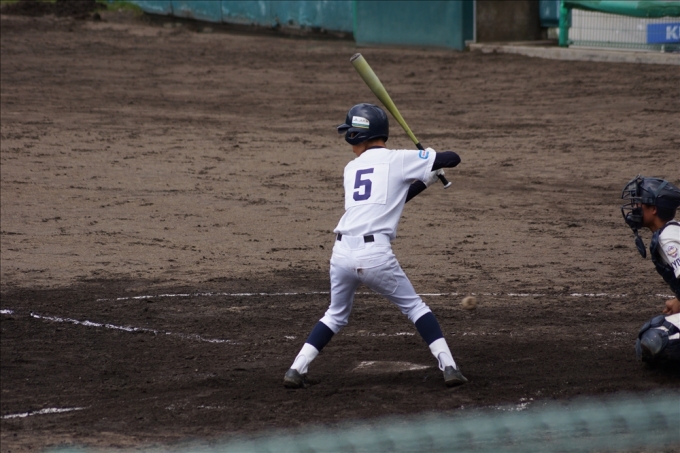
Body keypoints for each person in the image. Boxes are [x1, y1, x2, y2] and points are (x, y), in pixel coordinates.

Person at [283, 103, 467, 388]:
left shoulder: (351, 168)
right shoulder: (399, 159)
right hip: (375, 256)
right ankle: (450, 367)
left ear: (358, 134)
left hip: (341, 254)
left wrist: (426, 179)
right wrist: (430, 157)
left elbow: (387, 201)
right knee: (415, 308)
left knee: (335, 314)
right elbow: (453, 158)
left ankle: (296, 369)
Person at [620, 175, 680, 364]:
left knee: (655, 339)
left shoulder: (669, 239)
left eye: (639, 203)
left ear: (653, 209)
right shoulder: (671, 231)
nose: (634, 208)